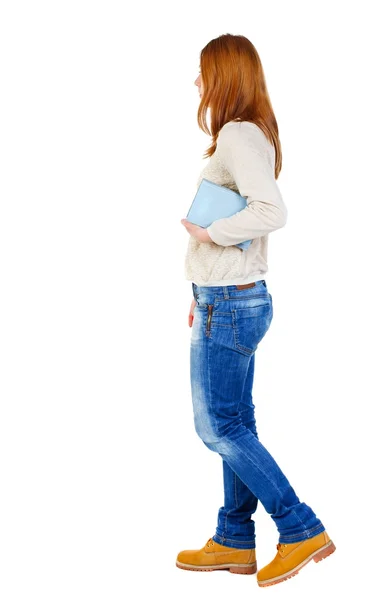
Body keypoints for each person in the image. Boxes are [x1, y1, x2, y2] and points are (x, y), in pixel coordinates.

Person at [177, 34, 336, 588]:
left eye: (203, 73)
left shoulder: (239, 134)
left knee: (217, 426)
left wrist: (208, 232)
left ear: (223, 75)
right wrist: (200, 293)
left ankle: (299, 527)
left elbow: (272, 210)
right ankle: (234, 540)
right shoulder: (249, 133)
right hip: (225, 300)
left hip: (230, 303)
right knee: (236, 423)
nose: (197, 84)